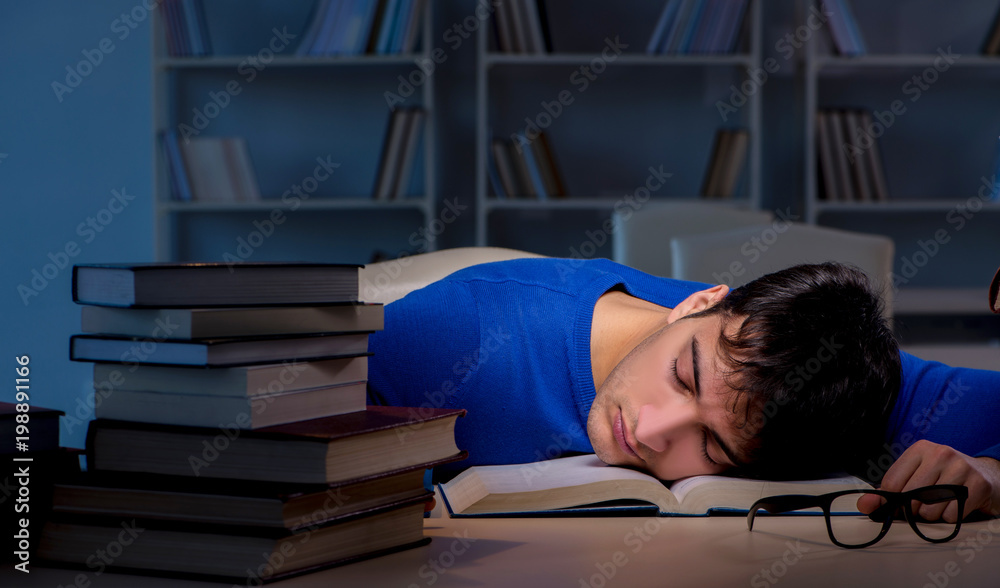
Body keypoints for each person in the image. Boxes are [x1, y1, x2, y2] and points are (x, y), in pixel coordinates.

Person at [367, 256, 1000, 523]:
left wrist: (992, 475)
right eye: (683, 375)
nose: (647, 431)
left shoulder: (822, 381)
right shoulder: (459, 336)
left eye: (714, 447)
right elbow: (279, 435)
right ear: (695, 304)